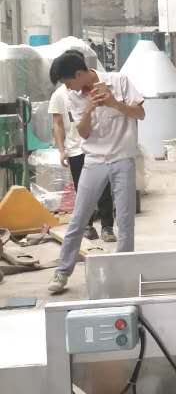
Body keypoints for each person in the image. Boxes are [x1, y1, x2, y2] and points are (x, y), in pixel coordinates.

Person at [47, 50, 145, 296]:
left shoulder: (119, 81)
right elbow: (83, 133)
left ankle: (122, 272)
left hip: (122, 158)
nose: (67, 87)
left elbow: (140, 114)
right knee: (79, 217)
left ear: (79, 74)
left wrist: (114, 103)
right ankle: (62, 271)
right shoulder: (73, 96)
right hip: (94, 160)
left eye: (68, 81)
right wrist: (89, 109)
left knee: (125, 220)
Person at [49, 75, 115, 244]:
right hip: (75, 149)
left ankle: (107, 227)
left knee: (104, 187)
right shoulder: (58, 96)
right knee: (82, 190)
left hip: (97, 146)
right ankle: (87, 226)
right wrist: (61, 150)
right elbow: (57, 123)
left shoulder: (91, 89)